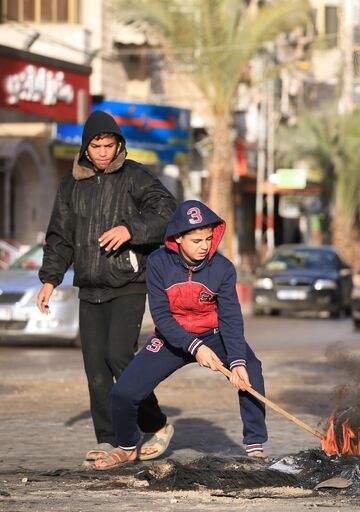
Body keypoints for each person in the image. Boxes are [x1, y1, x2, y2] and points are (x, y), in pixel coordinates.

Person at [37, 111, 177, 462]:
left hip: (128, 282)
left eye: (108, 145)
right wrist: (50, 280)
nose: (102, 152)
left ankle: (157, 424)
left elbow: (166, 211)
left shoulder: (135, 176)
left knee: (119, 357)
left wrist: (131, 228)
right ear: (86, 148)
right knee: (95, 368)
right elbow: (59, 237)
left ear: (119, 145)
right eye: (96, 146)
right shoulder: (71, 185)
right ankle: (109, 438)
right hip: (89, 287)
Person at [94, 200, 267, 469]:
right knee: (123, 393)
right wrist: (194, 346)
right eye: (196, 240)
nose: (205, 246)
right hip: (171, 338)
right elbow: (161, 316)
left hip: (215, 335)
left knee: (251, 370)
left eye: (209, 239)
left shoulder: (223, 268)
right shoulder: (158, 263)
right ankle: (127, 446)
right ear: (178, 238)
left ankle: (255, 445)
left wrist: (237, 361)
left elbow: (231, 318)